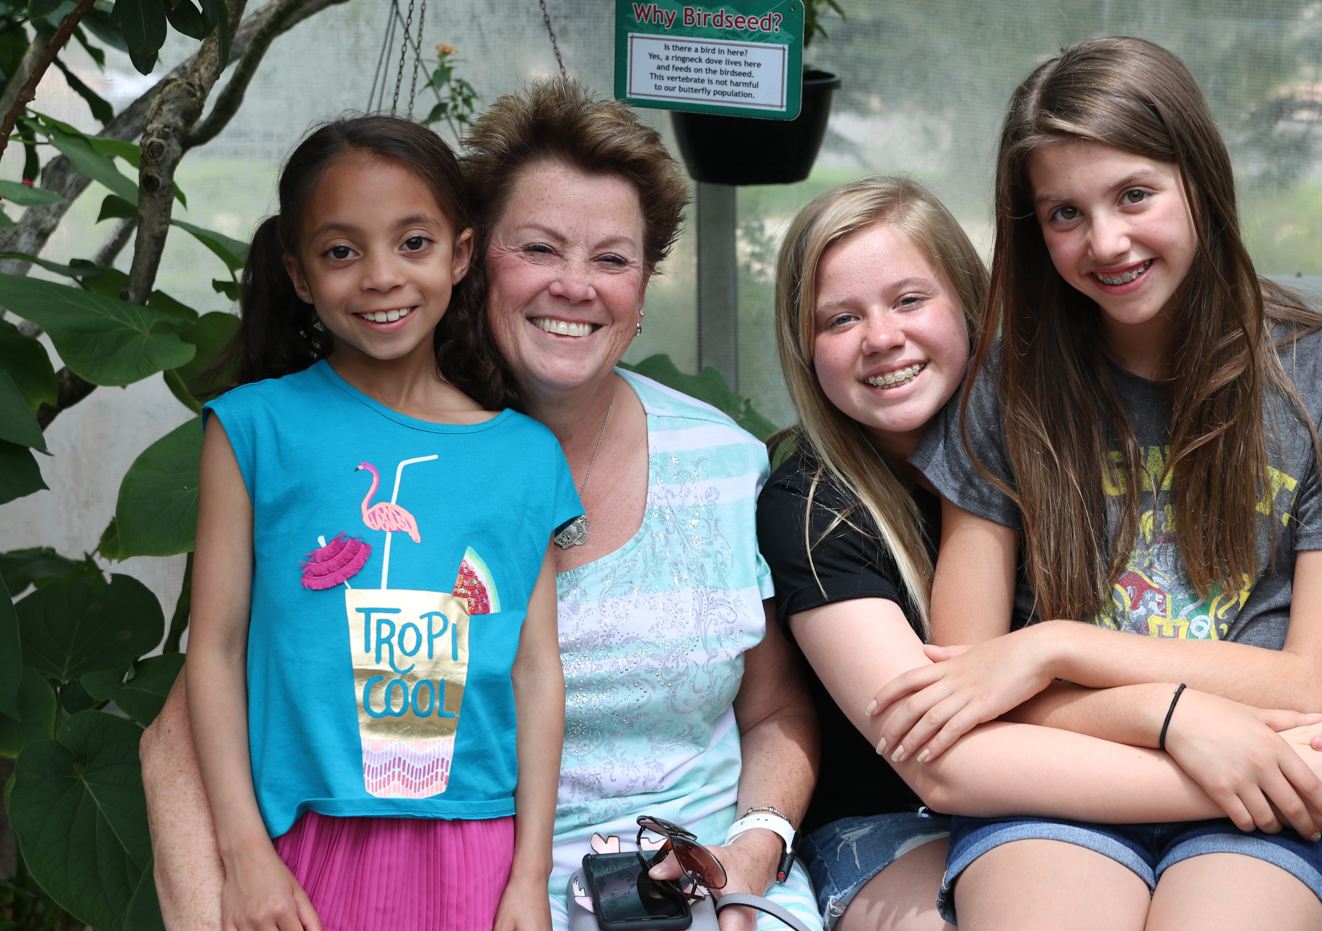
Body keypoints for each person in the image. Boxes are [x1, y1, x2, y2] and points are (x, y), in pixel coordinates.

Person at [140, 80, 825, 931]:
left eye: (612, 259)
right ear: (478, 259)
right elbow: (198, 711)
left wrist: (749, 855)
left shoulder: (718, 461)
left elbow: (776, 709)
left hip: (704, 890)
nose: (574, 285)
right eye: (539, 247)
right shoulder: (330, 442)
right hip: (463, 878)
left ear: (645, 286)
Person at [757, 176, 1322, 931]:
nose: (880, 337)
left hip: (1083, 767)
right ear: (805, 347)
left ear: (973, 308)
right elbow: (943, 756)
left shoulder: (1040, 426)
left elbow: (1236, 636)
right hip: (914, 807)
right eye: (840, 318)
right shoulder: (816, 511)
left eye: (908, 300)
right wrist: (1256, 759)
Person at [184, 116, 570, 931]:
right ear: (298, 274)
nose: (381, 276)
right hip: (302, 845)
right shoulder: (252, 430)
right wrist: (244, 853)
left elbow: (537, 670)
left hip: (477, 844)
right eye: (341, 251)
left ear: (460, 255)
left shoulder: (527, 456)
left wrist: (528, 875)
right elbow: (214, 650)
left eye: (413, 242)